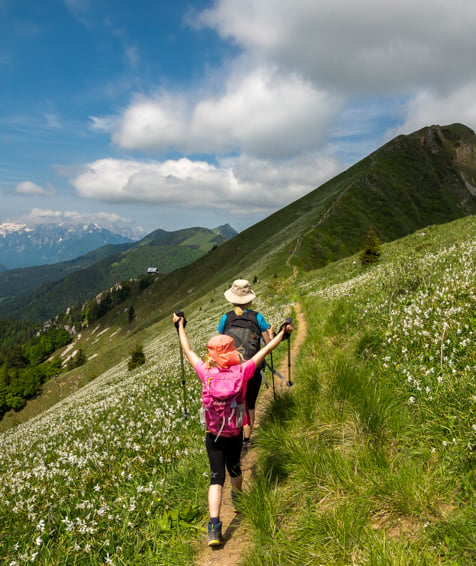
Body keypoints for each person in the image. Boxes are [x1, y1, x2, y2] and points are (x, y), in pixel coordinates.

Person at [172, 311, 293, 547]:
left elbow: (187, 351)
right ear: (232, 350)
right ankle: (238, 499)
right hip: (235, 434)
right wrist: (282, 332)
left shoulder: (206, 373)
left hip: (212, 436)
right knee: (235, 470)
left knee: (216, 478)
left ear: (211, 355)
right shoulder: (242, 371)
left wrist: (180, 326)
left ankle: (214, 527)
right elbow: (265, 351)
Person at [217, 279, 272, 451]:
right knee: (250, 403)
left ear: (232, 299)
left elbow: (221, 343)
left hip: (231, 370)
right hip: (252, 369)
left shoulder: (226, 318)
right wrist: (271, 333)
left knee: (234, 403)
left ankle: (233, 436)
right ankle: (247, 441)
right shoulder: (258, 317)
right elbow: (268, 345)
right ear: (250, 299)